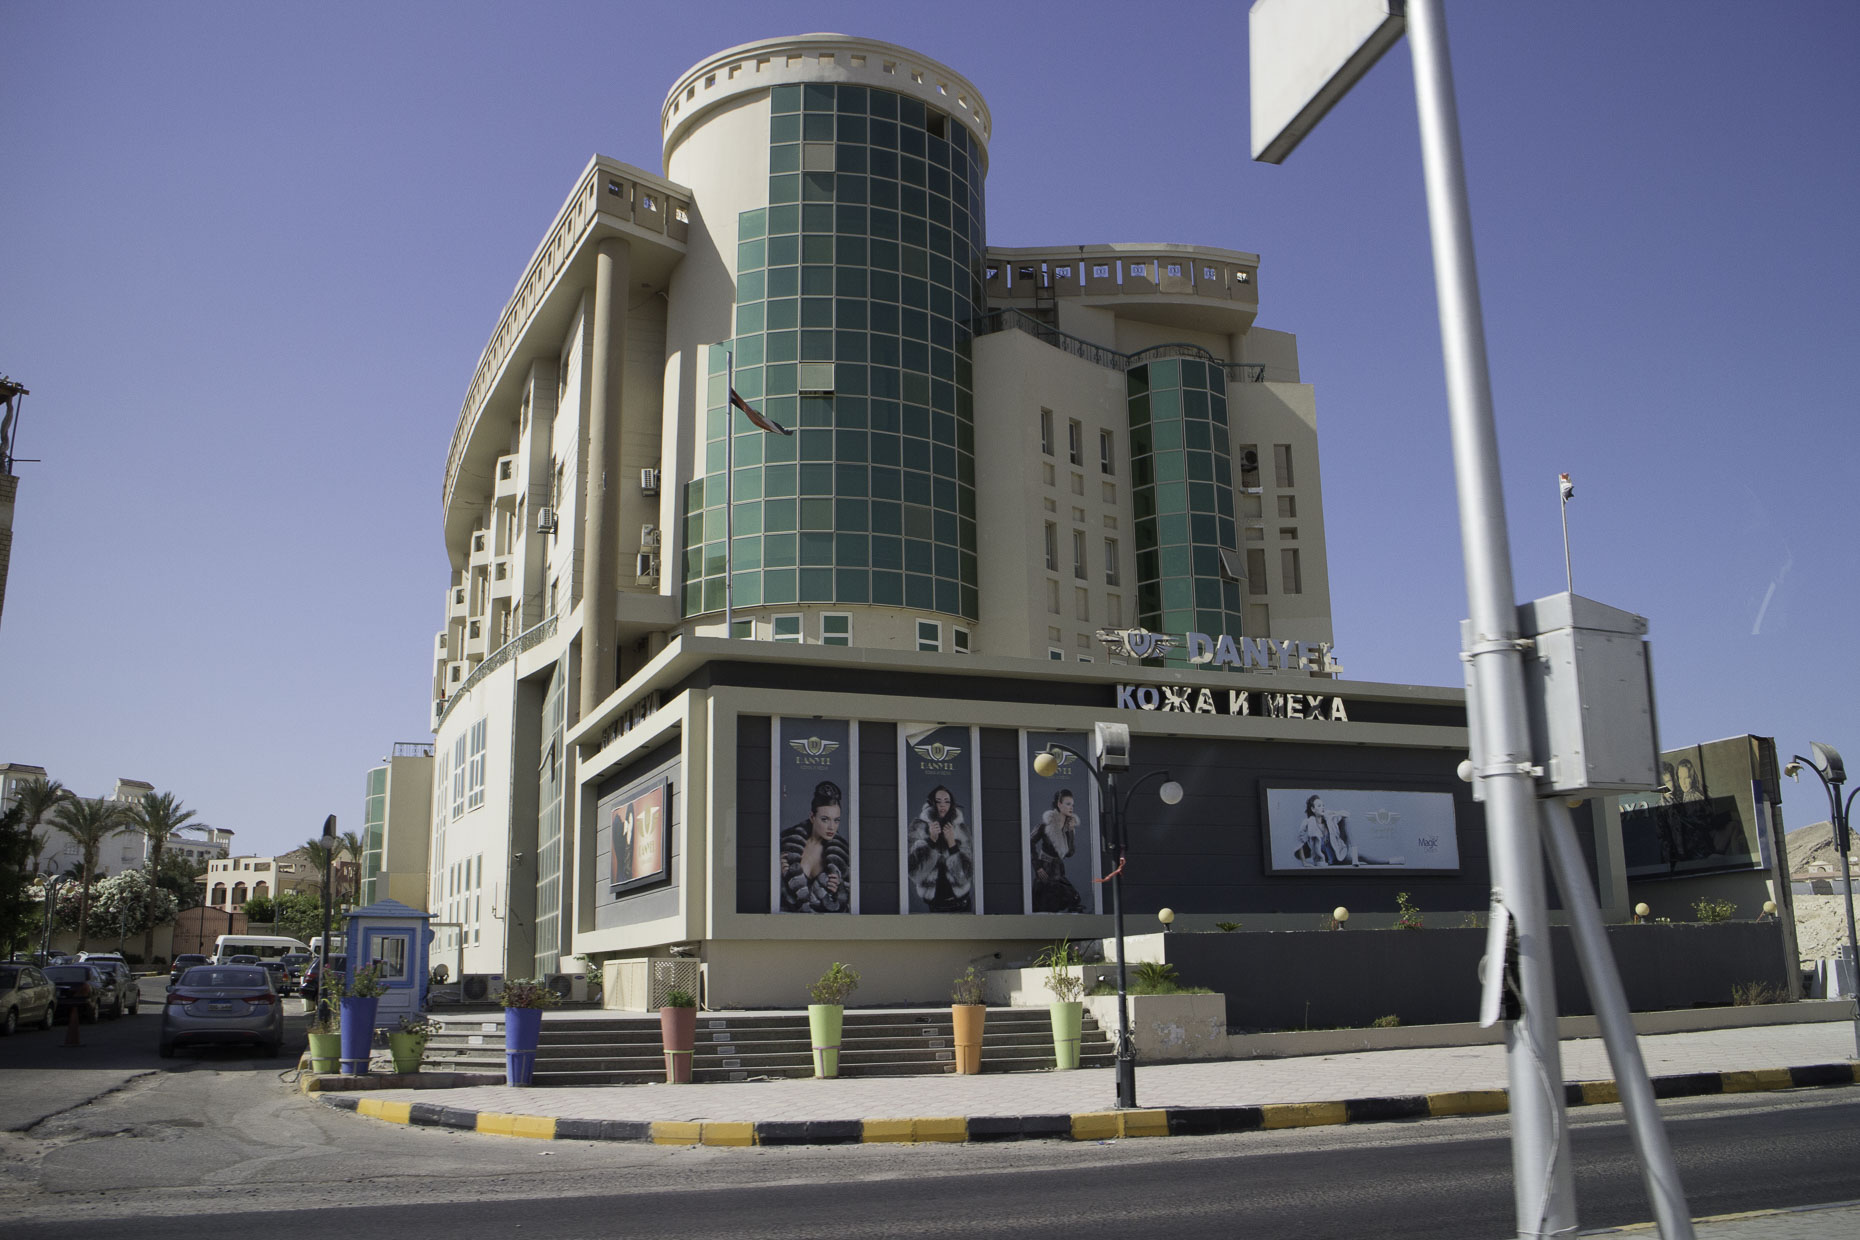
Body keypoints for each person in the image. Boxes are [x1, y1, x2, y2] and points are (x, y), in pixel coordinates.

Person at [780, 781, 849, 913]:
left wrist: (837, 891)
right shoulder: (786, 845)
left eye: (836, 820)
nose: (831, 827)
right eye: (825, 819)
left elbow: (846, 907)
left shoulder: (843, 857)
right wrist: (782, 877)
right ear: (812, 817)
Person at [908, 785, 973, 912]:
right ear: (931, 803)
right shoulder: (918, 827)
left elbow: (965, 876)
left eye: (947, 801)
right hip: (933, 906)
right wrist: (931, 841)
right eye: (938, 801)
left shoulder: (961, 829)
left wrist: (952, 844)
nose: (943, 805)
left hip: (962, 903)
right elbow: (914, 873)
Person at [1031, 789, 1085, 913]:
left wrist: (1070, 832)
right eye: (1068, 804)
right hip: (1045, 869)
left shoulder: (1068, 827)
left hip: (1058, 870)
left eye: (1072, 804)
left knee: (1072, 899)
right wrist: (1037, 866)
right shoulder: (1045, 825)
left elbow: (1070, 853)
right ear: (1059, 804)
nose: (1071, 807)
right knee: (1046, 903)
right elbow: (1029, 842)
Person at [1297, 795, 1356, 866]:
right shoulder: (1308, 823)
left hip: (1339, 857)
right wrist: (1304, 863)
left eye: (1323, 805)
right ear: (1313, 809)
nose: (1322, 808)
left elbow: (1347, 814)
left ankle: (1354, 855)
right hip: (1323, 862)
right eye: (1319, 806)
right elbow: (1299, 842)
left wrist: (1333, 813)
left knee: (1346, 820)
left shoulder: (1329, 819)